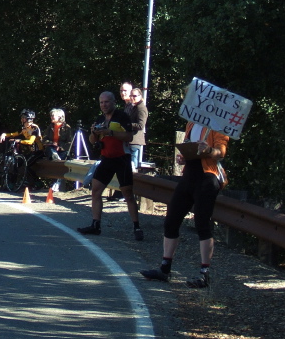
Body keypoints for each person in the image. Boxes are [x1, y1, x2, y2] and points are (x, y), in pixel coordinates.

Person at [141, 121, 229, 288]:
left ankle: (205, 274)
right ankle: (164, 269)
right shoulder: (192, 123)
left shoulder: (218, 123)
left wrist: (209, 150)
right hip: (189, 176)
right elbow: (190, 148)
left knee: (202, 224)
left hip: (208, 177)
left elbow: (221, 152)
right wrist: (184, 158)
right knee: (171, 221)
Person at [77, 91, 144, 240]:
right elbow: (93, 141)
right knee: (95, 191)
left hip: (122, 159)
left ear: (114, 102)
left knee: (127, 194)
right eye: (101, 102)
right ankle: (96, 225)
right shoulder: (100, 119)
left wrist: (110, 132)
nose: (104, 105)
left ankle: (137, 226)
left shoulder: (122, 116)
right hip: (106, 158)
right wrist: (94, 133)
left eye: (107, 102)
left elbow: (129, 136)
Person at [126, 87, 148, 171]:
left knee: (132, 168)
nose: (132, 98)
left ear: (140, 96)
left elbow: (141, 125)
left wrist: (127, 124)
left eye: (134, 96)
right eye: (131, 95)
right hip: (129, 140)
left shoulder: (141, 108)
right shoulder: (133, 106)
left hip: (135, 142)